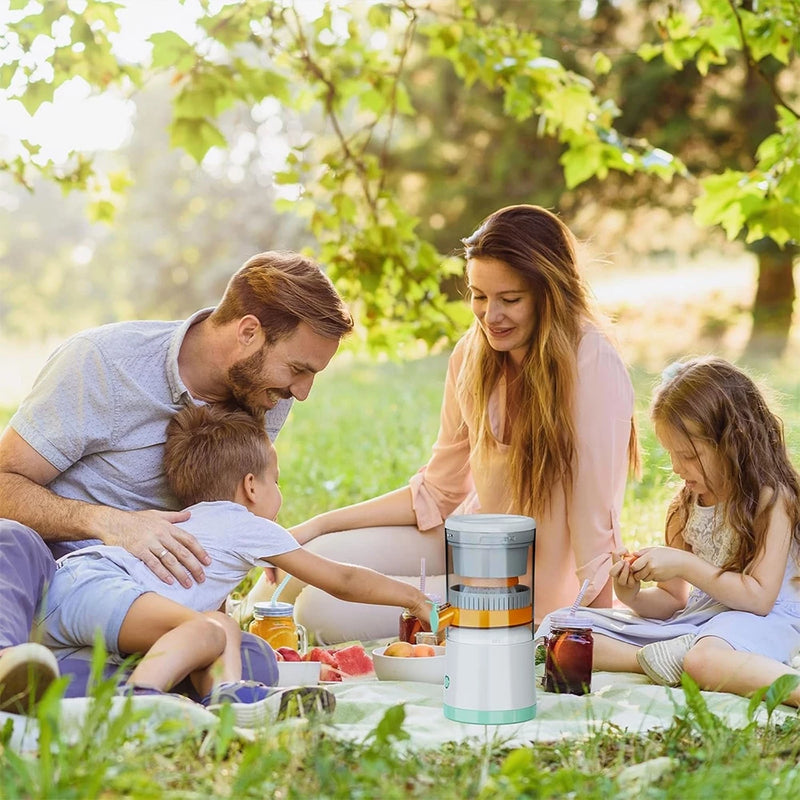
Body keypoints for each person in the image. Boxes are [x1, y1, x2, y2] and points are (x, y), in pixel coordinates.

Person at [265, 204, 638, 643]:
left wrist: (590, 634)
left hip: (526, 591)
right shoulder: (473, 354)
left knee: (323, 611)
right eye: (479, 296)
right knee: (311, 556)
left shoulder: (591, 362)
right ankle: (233, 643)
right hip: (468, 544)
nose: (490, 316)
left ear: (548, 293)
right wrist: (318, 525)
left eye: (510, 300)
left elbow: (596, 521)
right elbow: (438, 492)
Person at [0, 250, 354, 714]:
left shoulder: (266, 394)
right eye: (299, 369)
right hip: (51, 583)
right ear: (248, 332)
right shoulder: (104, 363)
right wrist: (110, 523)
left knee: (251, 659)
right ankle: (10, 661)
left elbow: (226, 513)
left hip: (143, 609)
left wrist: (212, 616)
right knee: (10, 542)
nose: (302, 391)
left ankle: (68, 687)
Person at [38, 404, 432, 724]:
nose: (279, 494)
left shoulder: (198, 519)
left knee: (222, 627)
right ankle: (141, 704)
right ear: (250, 486)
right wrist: (414, 599)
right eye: (278, 482)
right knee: (207, 631)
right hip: (98, 584)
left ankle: (229, 700)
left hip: (70, 592)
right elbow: (342, 579)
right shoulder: (244, 524)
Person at [536, 357, 800, 705]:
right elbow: (672, 601)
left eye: (689, 455)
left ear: (733, 443)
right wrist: (630, 594)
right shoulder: (685, 507)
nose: (677, 467)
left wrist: (685, 565)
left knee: (704, 660)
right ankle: (662, 659)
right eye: (672, 454)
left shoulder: (771, 500)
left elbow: (759, 600)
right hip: (698, 623)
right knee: (557, 629)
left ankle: (782, 686)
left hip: (764, 620)